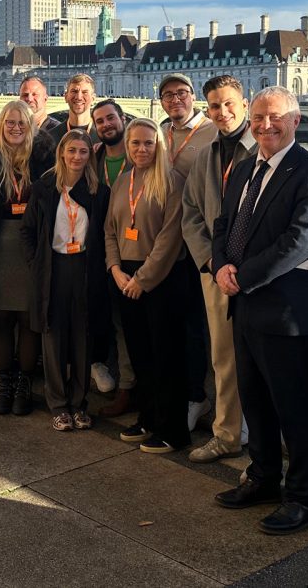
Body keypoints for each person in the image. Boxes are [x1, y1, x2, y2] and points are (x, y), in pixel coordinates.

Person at [210, 86, 308, 536]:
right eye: (259, 117)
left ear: (296, 120)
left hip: (287, 312)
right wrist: (220, 264)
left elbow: (300, 241)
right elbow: (224, 224)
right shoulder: (244, 167)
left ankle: (303, 498)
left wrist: (241, 275)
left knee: (294, 408)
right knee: (256, 402)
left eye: (275, 117)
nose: (266, 125)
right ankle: (263, 478)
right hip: (244, 307)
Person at [180, 75, 257, 463]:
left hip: (257, 275)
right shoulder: (207, 154)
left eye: (228, 104)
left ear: (245, 104)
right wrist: (211, 261)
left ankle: (257, 435)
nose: (222, 112)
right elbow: (190, 212)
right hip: (215, 271)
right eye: (214, 106)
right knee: (223, 357)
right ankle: (228, 433)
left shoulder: (263, 147)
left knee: (261, 359)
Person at [104, 118, 189, 453]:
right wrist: (114, 268)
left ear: (159, 146)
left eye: (148, 143)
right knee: (140, 354)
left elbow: (170, 238)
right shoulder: (122, 181)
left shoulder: (171, 182)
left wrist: (143, 280)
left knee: (166, 355)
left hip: (162, 278)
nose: (141, 149)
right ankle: (149, 418)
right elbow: (110, 229)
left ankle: (173, 429)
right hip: (125, 274)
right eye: (135, 143)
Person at [0, 100, 54, 414]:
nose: (15, 128)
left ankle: (24, 385)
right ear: (0, 127)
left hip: (32, 248)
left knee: (29, 319)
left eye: (21, 123)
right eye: (9, 123)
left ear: (30, 126)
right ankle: (4, 382)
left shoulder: (45, 159)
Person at [22, 129, 111, 431]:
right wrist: (36, 264)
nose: (77, 157)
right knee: (53, 336)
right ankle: (59, 404)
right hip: (53, 268)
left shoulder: (98, 190)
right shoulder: (45, 186)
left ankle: (79, 402)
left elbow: (103, 233)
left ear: (89, 156)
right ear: (62, 152)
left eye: (83, 152)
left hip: (85, 268)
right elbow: (28, 231)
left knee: (82, 338)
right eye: (71, 151)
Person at [158, 72, 220, 432]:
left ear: (193, 97)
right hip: (163, 244)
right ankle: (176, 393)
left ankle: (197, 396)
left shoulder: (213, 132)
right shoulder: (158, 132)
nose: (175, 100)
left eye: (182, 93)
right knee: (171, 326)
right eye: (168, 95)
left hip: (198, 244)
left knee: (197, 327)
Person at [87, 100, 131, 405]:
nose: (106, 125)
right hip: (100, 248)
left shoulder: (140, 153)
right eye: (99, 121)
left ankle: (129, 386)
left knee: (128, 322)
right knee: (106, 315)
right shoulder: (93, 157)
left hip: (134, 248)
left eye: (110, 118)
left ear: (122, 118)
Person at [45, 74, 97, 146]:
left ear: (93, 99)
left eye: (84, 92)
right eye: (74, 91)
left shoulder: (102, 136)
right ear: (66, 97)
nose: (79, 97)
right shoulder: (50, 138)